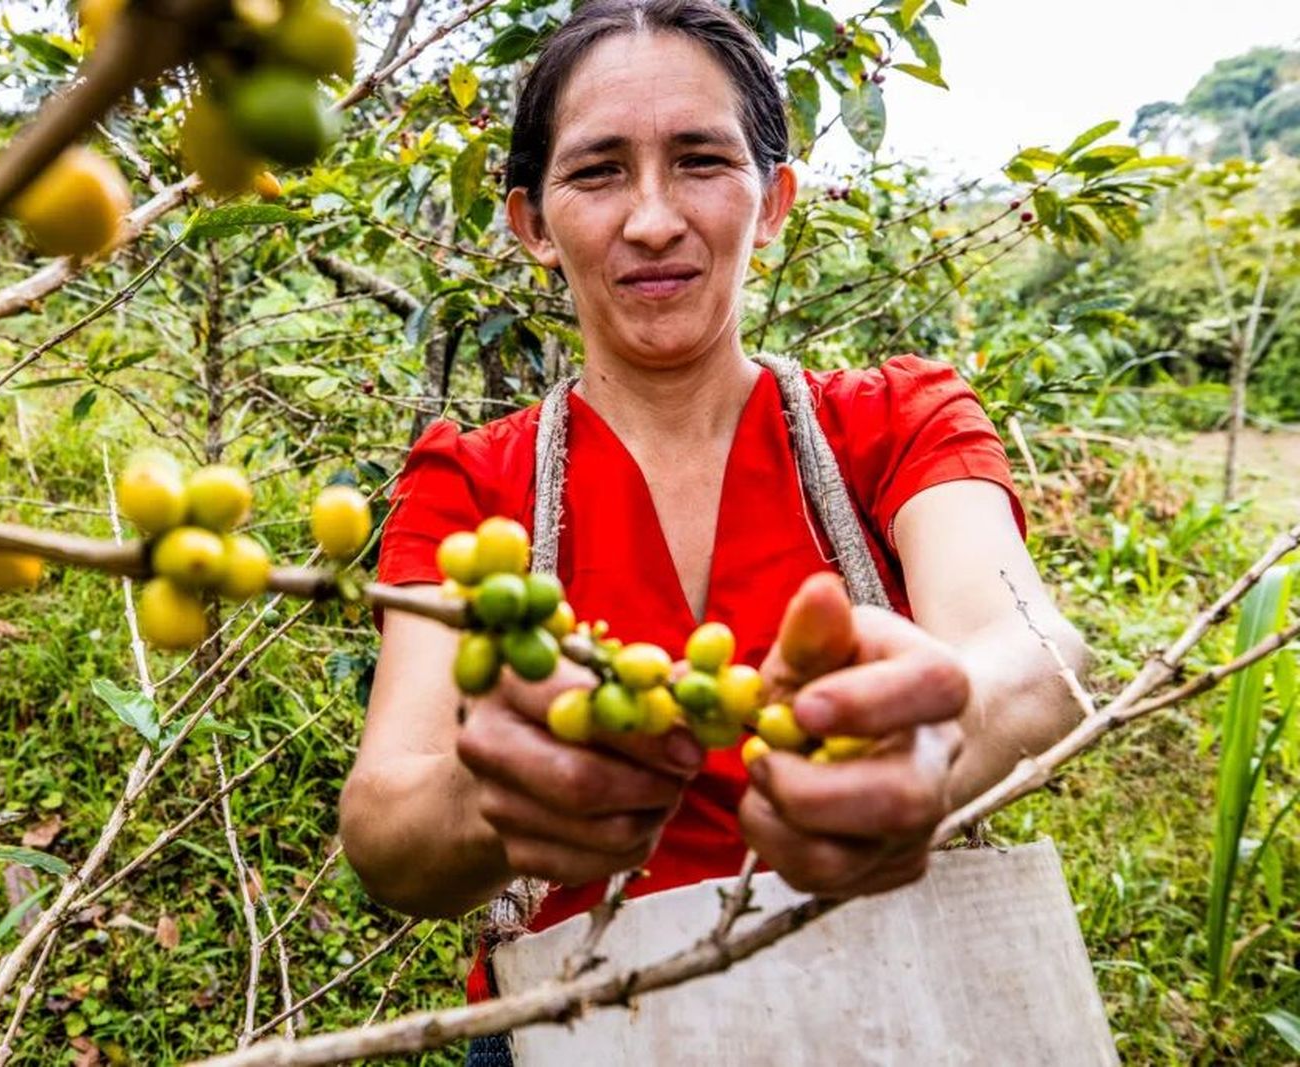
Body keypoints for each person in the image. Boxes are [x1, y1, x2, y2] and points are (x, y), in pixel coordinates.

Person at [340, 0, 1086, 1023]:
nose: (651, 218)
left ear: (773, 201)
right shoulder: (470, 483)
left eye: (699, 160)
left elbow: (1036, 650)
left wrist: (938, 730)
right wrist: (492, 805)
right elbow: (387, 828)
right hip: (583, 1024)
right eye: (597, 170)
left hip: (897, 1000)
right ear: (531, 224)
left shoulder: (894, 422)